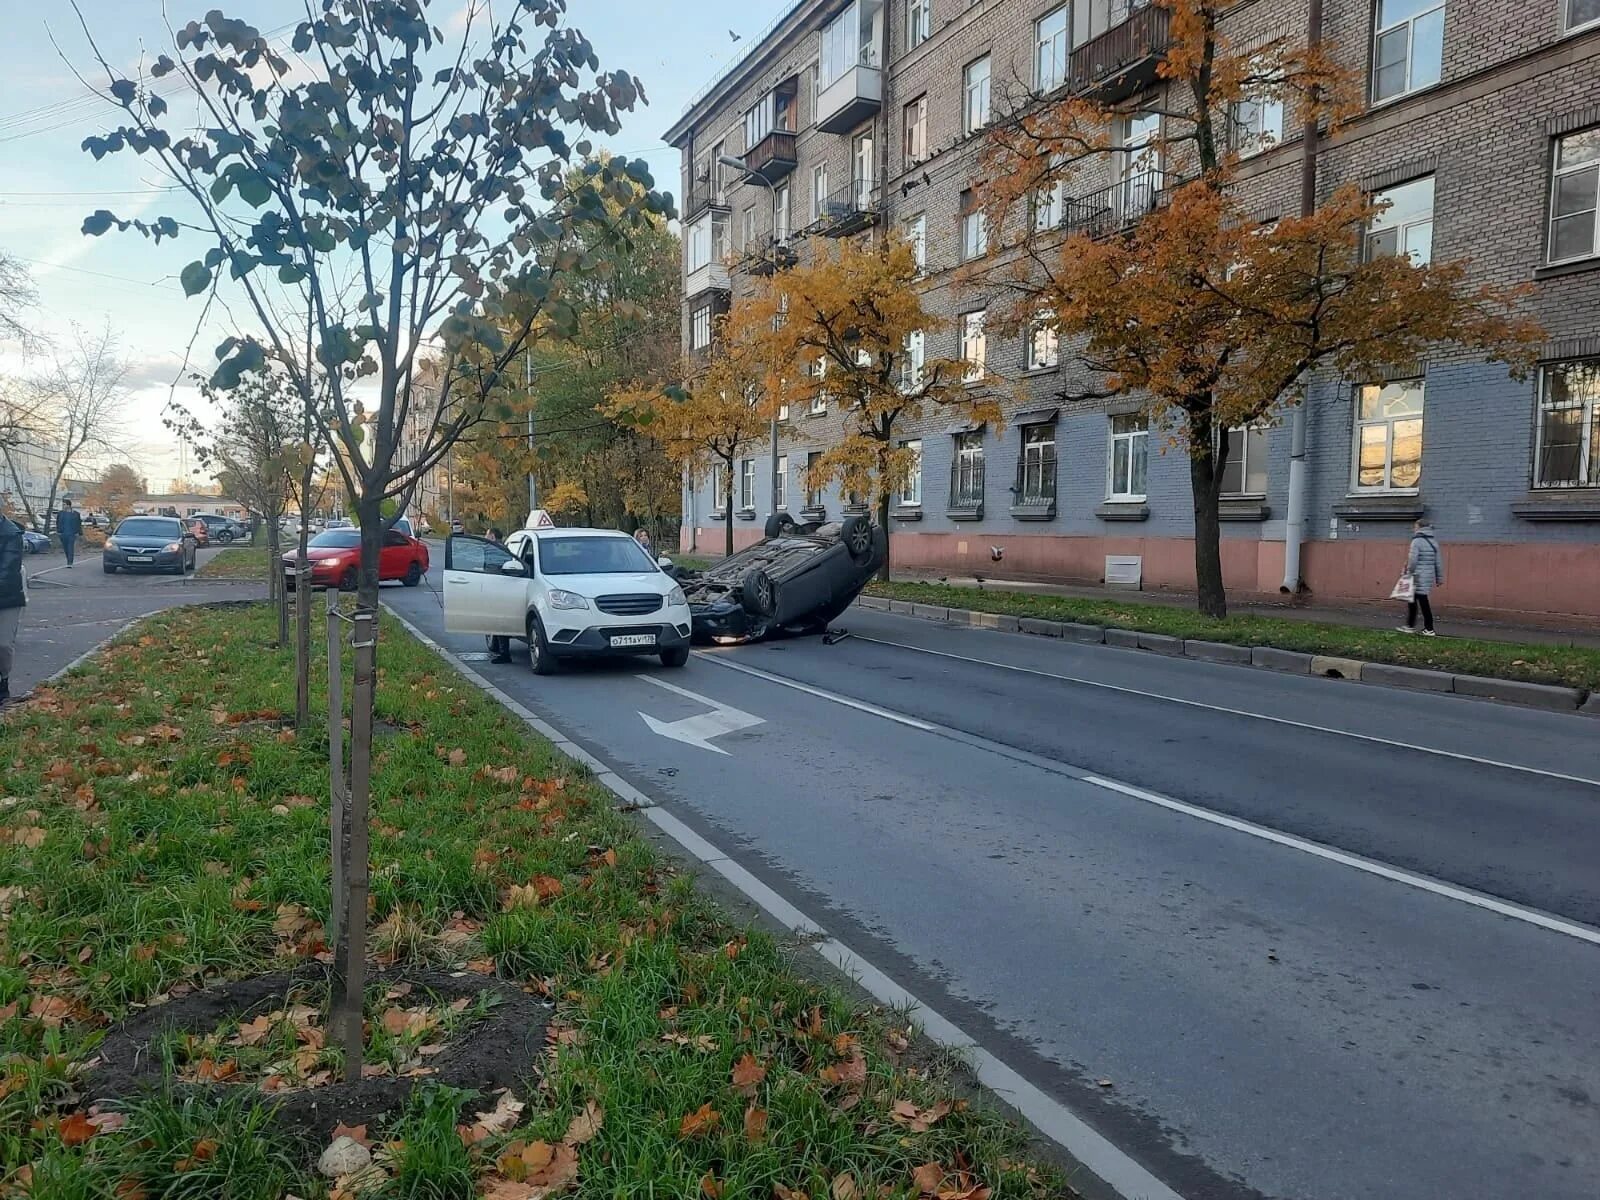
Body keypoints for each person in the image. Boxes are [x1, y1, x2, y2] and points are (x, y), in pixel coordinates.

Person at [1397, 519, 1443, 637]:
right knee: (1415, 600)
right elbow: (1438, 563)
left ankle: (1427, 628)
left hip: (1416, 576)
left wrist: (1408, 573)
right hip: (1427, 577)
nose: (1414, 529)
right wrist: (1439, 578)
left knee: (1419, 602)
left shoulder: (1416, 541)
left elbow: (1412, 560)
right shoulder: (1434, 542)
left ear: (1419, 528)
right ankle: (1413, 626)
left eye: (1415, 526)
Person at [0, 510, 25, 706]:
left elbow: (8, 570)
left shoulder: (11, 533)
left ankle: (3, 682)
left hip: (7, 598)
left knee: (3, 644)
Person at [486, 528, 511, 663]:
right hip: (505, 588)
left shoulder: (492, 550)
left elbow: (491, 569)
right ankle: (501, 649)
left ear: (493, 537)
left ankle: (504, 653)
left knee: (499, 621)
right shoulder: (506, 548)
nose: (485, 537)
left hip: (497, 588)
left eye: (487, 535)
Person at [55, 499, 83, 568]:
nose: (63, 506)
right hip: (63, 533)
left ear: (68, 505)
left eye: (64, 504)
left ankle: (70, 562)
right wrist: (58, 531)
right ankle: (68, 559)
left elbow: (78, 523)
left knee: (70, 547)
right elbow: (57, 522)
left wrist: (79, 532)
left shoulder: (75, 514)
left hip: (72, 534)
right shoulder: (60, 513)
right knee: (65, 548)